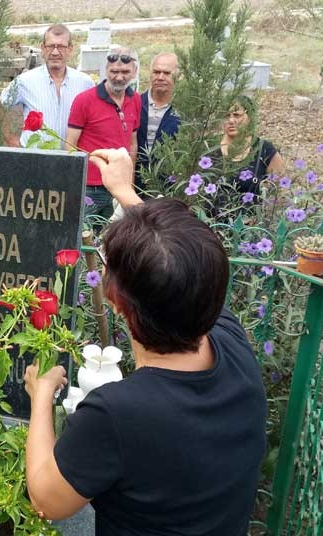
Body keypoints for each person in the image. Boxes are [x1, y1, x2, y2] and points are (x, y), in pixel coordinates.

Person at [24, 147, 267, 535]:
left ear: (118, 304)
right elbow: (181, 264)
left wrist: (40, 398)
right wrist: (125, 192)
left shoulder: (117, 415)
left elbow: (46, 500)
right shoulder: (231, 341)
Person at [66, 47, 141, 222]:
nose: (119, 77)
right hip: (90, 187)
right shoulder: (84, 100)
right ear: (106, 70)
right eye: (114, 71)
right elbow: (70, 145)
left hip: (119, 188)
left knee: (115, 240)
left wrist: (129, 184)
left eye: (125, 72)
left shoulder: (135, 99)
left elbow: (132, 144)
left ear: (134, 72)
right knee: (83, 238)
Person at [0, 24, 94, 148]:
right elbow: (1, 105)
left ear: (70, 49)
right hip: (35, 159)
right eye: (50, 46)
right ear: (42, 48)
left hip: (72, 158)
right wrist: (12, 141)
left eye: (61, 47)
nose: (55, 52)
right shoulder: (25, 81)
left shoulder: (85, 83)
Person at [214, 95, 285, 202]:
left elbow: (277, 189)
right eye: (227, 115)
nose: (231, 120)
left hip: (248, 217)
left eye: (237, 115)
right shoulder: (209, 147)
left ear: (250, 117)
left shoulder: (264, 149)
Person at [135, 52, 181, 192]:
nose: (160, 77)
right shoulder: (134, 103)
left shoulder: (185, 109)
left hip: (170, 186)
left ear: (179, 75)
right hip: (135, 184)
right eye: (156, 72)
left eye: (167, 73)